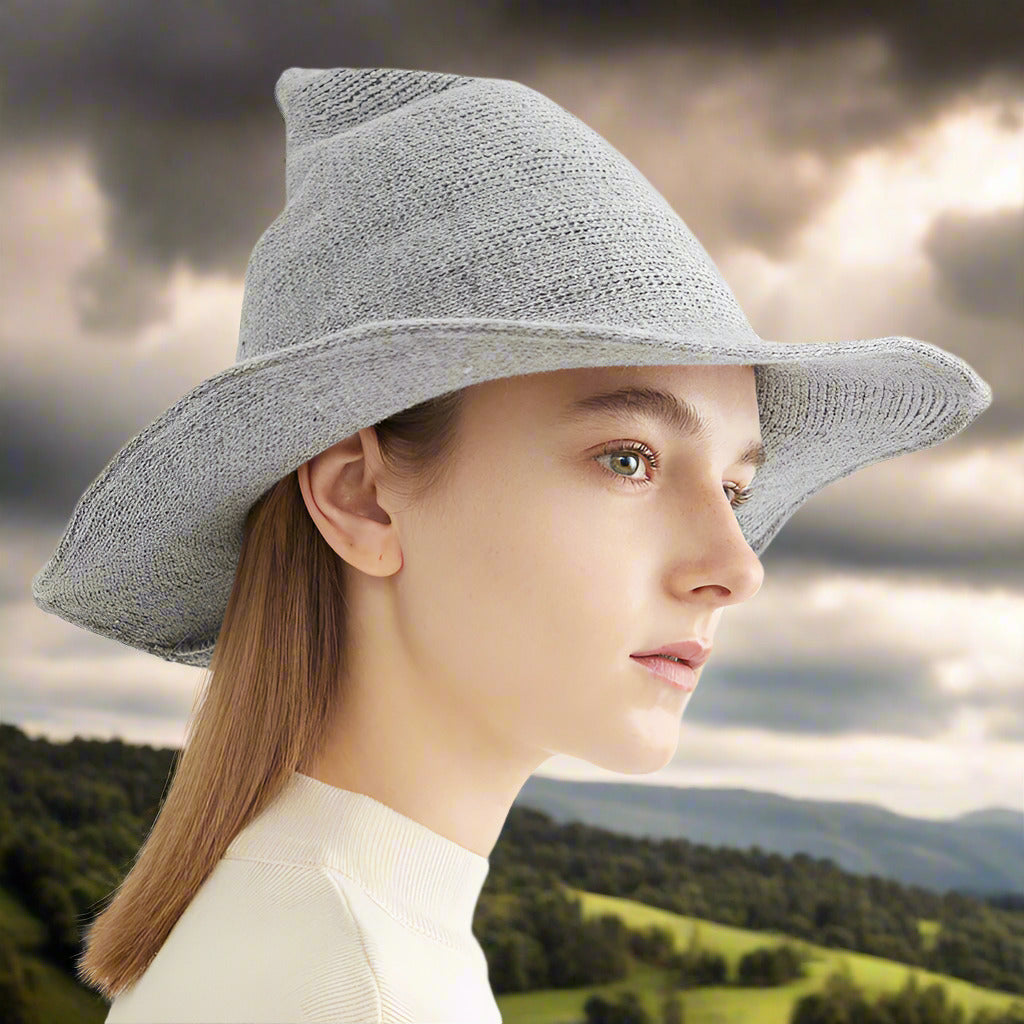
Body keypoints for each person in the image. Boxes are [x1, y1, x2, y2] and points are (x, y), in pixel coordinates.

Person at [30, 66, 991, 1023]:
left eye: (735, 489)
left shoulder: (328, 937)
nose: (737, 568)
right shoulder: (358, 986)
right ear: (362, 500)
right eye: (629, 459)